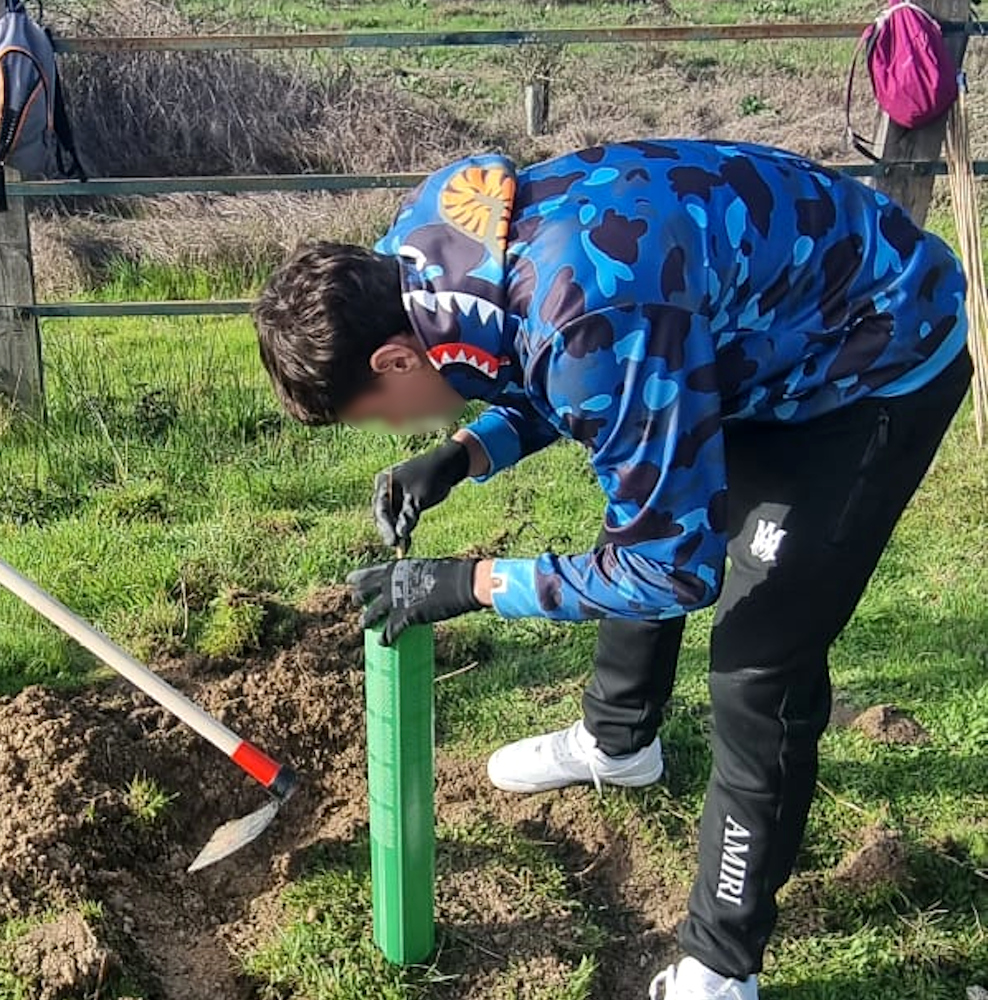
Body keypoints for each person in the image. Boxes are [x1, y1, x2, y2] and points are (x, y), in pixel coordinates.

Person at [252, 139, 970, 999]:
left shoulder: (584, 315)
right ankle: (620, 744)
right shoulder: (419, 257)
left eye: (377, 417)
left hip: (874, 358)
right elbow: (537, 358)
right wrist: (465, 453)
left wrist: (472, 584)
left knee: (756, 667)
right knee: (646, 500)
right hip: (747, 337)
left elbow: (672, 567)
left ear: (395, 361)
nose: (391, 433)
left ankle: (721, 967)